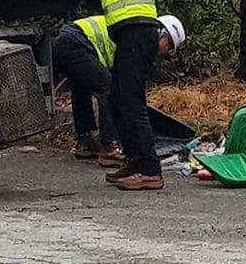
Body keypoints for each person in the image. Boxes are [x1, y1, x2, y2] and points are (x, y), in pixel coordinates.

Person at [37, 0, 166, 191]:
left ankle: (149, 168)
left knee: (130, 102)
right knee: (120, 98)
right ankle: (135, 161)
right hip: (136, 31)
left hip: (136, 30)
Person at [54, 13, 186, 169]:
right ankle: (109, 147)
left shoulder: (131, 29)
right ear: (162, 34)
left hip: (66, 41)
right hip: (75, 42)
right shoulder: (138, 38)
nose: (165, 52)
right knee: (108, 88)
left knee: (81, 85)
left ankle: (85, 142)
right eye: (168, 46)